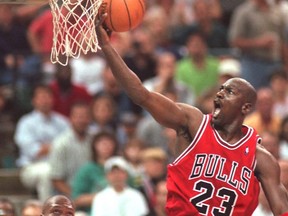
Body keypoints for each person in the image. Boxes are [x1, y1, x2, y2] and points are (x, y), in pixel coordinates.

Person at [95, 11, 288, 215]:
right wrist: (107, 47)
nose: (220, 94)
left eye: (229, 91)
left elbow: (282, 208)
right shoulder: (193, 122)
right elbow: (142, 95)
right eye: (220, 89)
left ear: (246, 107)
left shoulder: (260, 158)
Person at [14, 84, 70, 201]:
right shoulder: (25, 122)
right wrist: (57, 147)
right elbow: (35, 151)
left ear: (53, 99)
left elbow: (70, 147)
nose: (45, 100)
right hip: (31, 168)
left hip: (60, 165)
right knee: (47, 171)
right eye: (41, 97)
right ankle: (47, 210)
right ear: (34, 101)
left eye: (47, 97)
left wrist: (49, 148)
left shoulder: (63, 122)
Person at [49, 102, 92, 197]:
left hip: (93, 192)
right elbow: (56, 180)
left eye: (85, 117)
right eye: (78, 117)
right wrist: (76, 196)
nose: (82, 120)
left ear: (90, 119)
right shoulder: (60, 143)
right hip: (69, 195)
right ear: (71, 118)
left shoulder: (95, 139)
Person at [71, 131, 118, 214]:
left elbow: (133, 190)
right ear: (94, 146)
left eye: (109, 142)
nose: (106, 146)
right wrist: (106, 196)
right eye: (102, 142)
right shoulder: (87, 170)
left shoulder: (123, 167)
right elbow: (77, 199)